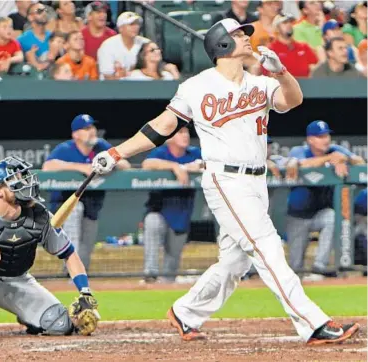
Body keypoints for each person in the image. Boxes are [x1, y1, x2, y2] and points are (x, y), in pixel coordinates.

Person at [91, 18, 360, 345]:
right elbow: (161, 126)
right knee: (267, 246)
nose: (247, 37)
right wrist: (117, 153)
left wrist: (281, 72)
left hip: (257, 181)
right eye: (238, 34)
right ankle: (312, 322)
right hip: (225, 179)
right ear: (220, 43)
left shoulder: (259, 83)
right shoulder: (197, 85)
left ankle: (185, 311)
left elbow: (293, 101)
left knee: (234, 263)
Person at [0, 156, 100, 336]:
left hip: (18, 282)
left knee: (61, 325)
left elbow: (69, 254)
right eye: (14, 179)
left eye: (24, 176)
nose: (25, 182)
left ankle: (29, 317)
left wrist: (85, 292)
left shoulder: (41, 217)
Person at [41, 114, 131, 272]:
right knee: (75, 220)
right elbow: (48, 166)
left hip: (92, 204)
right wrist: (80, 167)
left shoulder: (101, 146)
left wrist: (111, 163)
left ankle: (79, 280)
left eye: (92, 127)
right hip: (65, 205)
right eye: (86, 128)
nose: (92, 131)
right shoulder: (66, 148)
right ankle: (69, 274)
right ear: (75, 134)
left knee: (87, 246)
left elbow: (125, 164)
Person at [286, 120, 365, 278]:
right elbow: (300, 164)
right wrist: (329, 159)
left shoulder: (336, 150)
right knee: (295, 267)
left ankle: (319, 267)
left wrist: (345, 159)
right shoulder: (299, 150)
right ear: (310, 139)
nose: (326, 139)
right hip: (298, 215)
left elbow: (361, 163)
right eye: (320, 136)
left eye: (327, 135)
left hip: (320, 213)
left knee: (331, 216)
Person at [141, 127, 202, 283]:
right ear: (170, 138)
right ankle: (150, 275)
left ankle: (166, 287)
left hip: (182, 214)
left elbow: (208, 163)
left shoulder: (194, 153)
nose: (185, 135)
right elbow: (147, 163)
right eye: (180, 133)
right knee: (152, 221)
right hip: (159, 210)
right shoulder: (162, 153)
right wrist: (174, 166)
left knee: (172, 267)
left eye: (186, 132)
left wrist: (188, 167)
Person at [97, 11, 179, 80]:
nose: (135, 27)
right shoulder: (108, 46)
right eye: (131, 24)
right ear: (121, 28)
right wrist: (122, 77)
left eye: (137, 24)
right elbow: (106, 75)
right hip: (112, 88)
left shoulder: (145, 43)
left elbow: (154, 67)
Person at [267, 13, 318, 78]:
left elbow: (314, 66)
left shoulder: (304, 46)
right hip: (284, 85)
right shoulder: (271, 49)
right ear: (277, 28)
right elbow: (270, 74)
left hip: (306, 84)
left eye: (290, 22)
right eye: (285, 22)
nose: (289, 25)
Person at [17, 2, 52, 71]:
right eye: (39, 11)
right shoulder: (21, 40)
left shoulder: (53, 37)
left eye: (45, 11)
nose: (44, 13)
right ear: (30, 17)